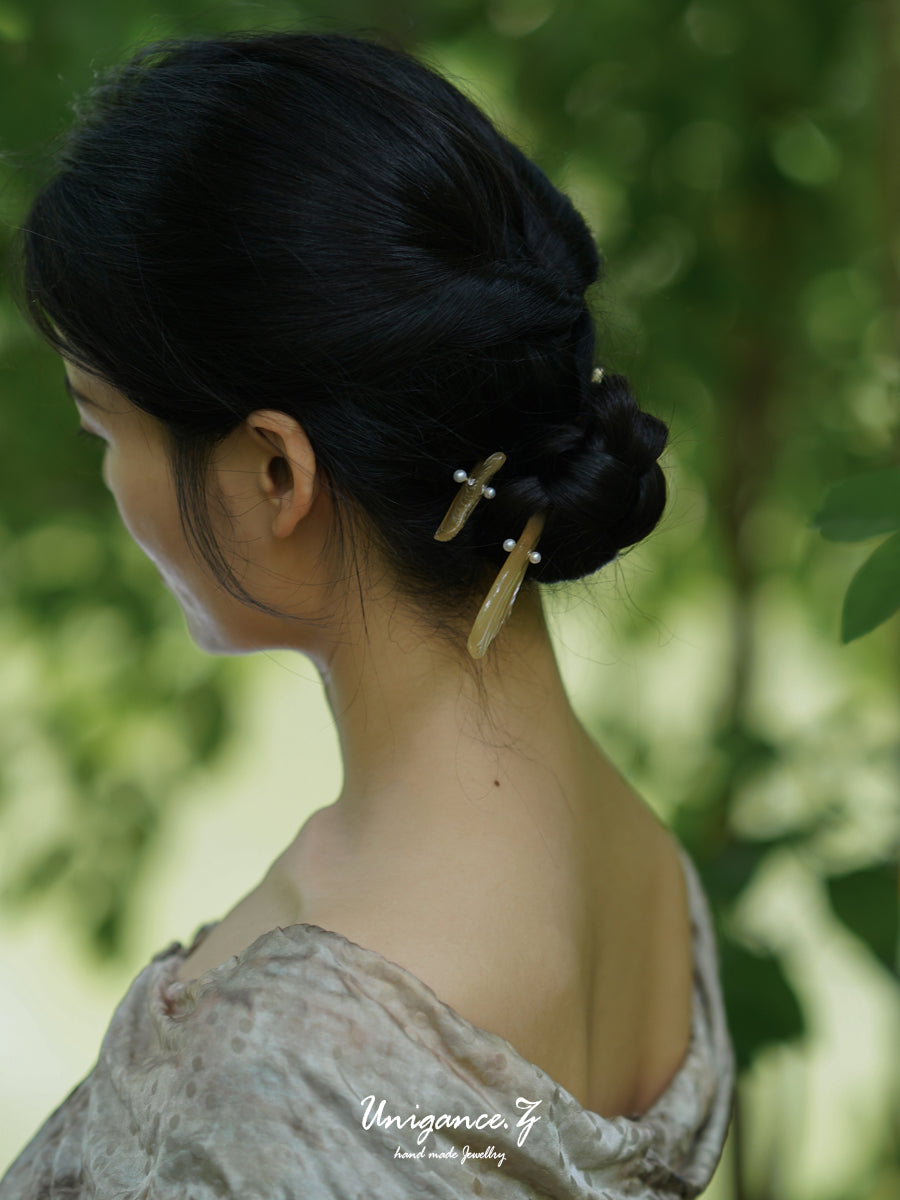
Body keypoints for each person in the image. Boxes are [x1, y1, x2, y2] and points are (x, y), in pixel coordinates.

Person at [0, 29, 735, 1199]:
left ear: (275, 474)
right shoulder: (643, 866)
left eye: (103, 428)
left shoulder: (297, 1054)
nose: (105, 478)